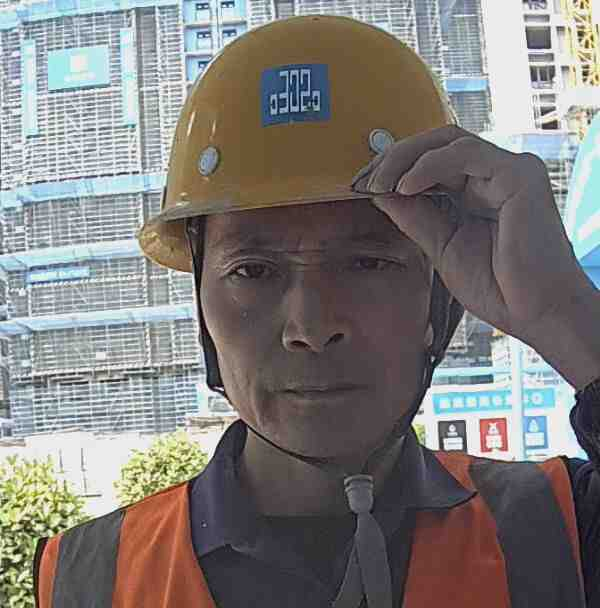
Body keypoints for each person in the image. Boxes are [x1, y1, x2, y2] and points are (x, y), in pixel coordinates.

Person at [33, 15, 600, 607]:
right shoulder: (90, 579)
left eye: (367, 263)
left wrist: (565, 312)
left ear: (439, 298)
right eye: (253, 271)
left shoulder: (558, 528)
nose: (311, 327)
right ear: (201, 302)